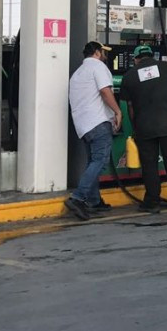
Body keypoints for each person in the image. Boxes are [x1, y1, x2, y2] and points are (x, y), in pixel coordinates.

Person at [119, 45, 167, 213]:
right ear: (152, 56)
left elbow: (130, 106)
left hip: (145, 126)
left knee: (149, 165)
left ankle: (152, 200)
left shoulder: (130, 75)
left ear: (136, 58)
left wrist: (135, 124)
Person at [65, 42, 123, 221]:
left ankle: (94, 200)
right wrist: (117, 111)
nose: (105, 56)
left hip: (83, 125)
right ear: (97, 53)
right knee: (100, 161)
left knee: (93, 161)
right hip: (98, 122)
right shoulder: (98, 67)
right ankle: (78, 198)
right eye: (103, 52)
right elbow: (105, 92)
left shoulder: (77, 74)